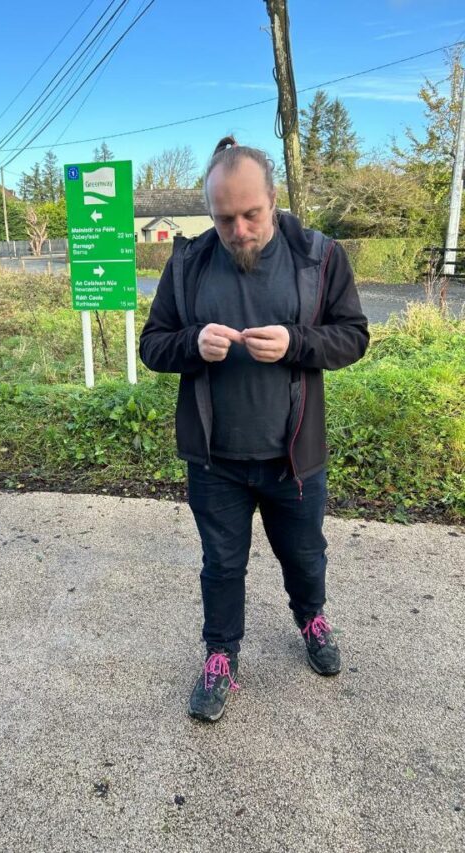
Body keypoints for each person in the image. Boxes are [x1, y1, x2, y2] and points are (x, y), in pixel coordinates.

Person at [139, 136, 369, 723]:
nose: (238, 230)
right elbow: (153, 346)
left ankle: (311, 618)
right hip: (216, 458)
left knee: (305, 552)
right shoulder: (188, 263)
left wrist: (297, 342)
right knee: (221, 564)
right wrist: (192, 343)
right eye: (224, 218)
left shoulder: (319, 256)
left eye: (251, 215)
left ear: (274, 199)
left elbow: (353, 336)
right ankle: (221, 654)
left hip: (294, 454)